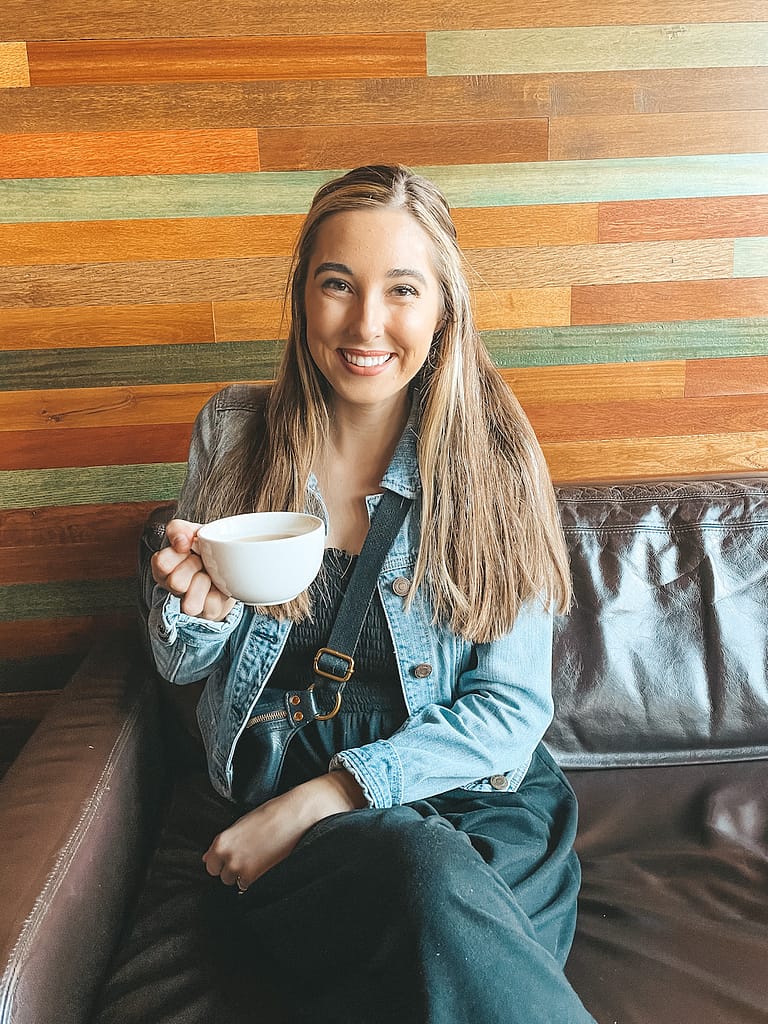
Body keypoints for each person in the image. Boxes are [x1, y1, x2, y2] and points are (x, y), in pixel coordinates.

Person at [148, 164, 596, 1023]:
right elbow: (178, 662)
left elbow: (510, 708)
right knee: (421, 897)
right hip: (321, 835)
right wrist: (192, 608)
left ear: (442, 309)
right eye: (337, 285)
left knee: (430, 893)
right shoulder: (235, 435)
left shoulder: (494, 460)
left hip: (477, 807)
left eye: (402, 290)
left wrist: (332, 795)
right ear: (301, 299)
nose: (366, 324)